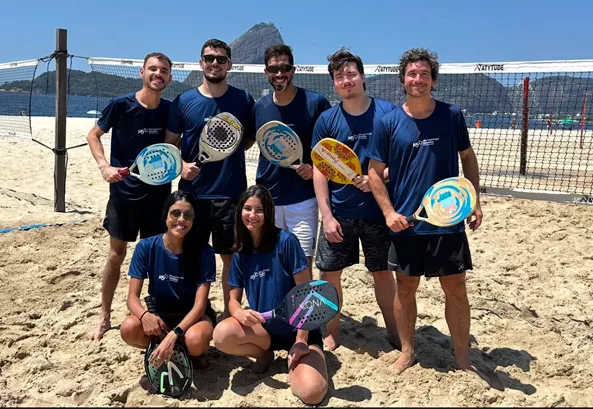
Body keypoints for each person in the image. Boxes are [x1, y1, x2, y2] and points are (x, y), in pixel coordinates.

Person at [367, 48, 483, 376]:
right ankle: (407, 352)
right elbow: (374, 173)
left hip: (447, 220)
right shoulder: (388, 122)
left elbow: (468, 158)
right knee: (405, 287)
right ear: (403, 79)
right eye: (412, 74)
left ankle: (463, 358)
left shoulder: (451, 115)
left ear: (433, 80)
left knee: (456, 289)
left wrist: (473, 201)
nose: (418, 79)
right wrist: (389, 212)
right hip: (407, 223)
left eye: (424, 74)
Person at [311, 48, 399, 351]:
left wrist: (378, 178)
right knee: (328, 274)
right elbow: (320, 171)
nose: (346, 80)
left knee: (383, 274)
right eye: (339, 76)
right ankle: (333, 334)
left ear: (362, 76)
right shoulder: (327, 120)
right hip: (341, 213)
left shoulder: (387, 112)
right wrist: (328, 215)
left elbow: (401, 158)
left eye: (351, 74)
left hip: (379, 212)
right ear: (334, 84)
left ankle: (395, 332)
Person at [212, 185, 328, 405]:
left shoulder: (286, 242)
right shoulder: (241, 252)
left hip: (299, 332)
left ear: (268, 213)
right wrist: (238, 312)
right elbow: (233, 299)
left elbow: (308, 295)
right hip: (264, 332)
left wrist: (302, 341)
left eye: (259, 210)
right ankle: (264, 355)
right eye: (247, 209)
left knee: (312, 393)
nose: (252, 215)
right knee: (222, 334)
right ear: (240, 212)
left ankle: (296, 363)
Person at [165, 39, 256, 319]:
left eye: (220, 59)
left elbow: (249, 140)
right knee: (191, 254)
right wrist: (182, 166)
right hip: (192, 195)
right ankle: (196, 310)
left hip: (231, 195)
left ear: (229, 64)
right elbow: (170, 144)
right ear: (201, 63)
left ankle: (230, 314)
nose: (214, 63)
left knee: (230, 257)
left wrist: (226, 149)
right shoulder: (184, 101)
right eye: (209, 58)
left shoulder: (243, 100)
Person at [86, 52, 173, 341]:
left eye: (163, 70)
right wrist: (104, 166)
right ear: (142, 72)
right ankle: (104, 316)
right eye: (152, 69)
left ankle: (152, 311)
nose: (157, 74)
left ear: (170, 77)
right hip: (123, 195)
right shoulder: (120, 105)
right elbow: (93, 135)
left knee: (154, 257)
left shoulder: (170, 111)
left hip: (158, 197)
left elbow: (176, 147)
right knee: (116, 255)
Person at [252, 44, 331, 278]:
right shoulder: (259, 107)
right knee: (270, 260)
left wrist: (315, 167)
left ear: (293, 69)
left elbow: (328, 150)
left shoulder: (315, 103)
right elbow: (250, 141)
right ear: (266, 72)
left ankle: (302, 313)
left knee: (302, 263)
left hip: (303, 199)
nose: (279, 73)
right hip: (268, 197)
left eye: (284, 67)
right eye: (273, 69)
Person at [120, 190, 216, 368]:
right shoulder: (146, 246)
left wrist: (175, 334)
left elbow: (200, 306)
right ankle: (164, 348)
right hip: (160, 315)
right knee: (128, 328)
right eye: (175, 213)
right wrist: (145, 316)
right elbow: (132, 297)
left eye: (188, 215)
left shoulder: (204, 251)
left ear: (194, 220)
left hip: (192, 317)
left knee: (195, 341)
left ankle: (181, 350)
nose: (181, 220)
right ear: (165, 215)